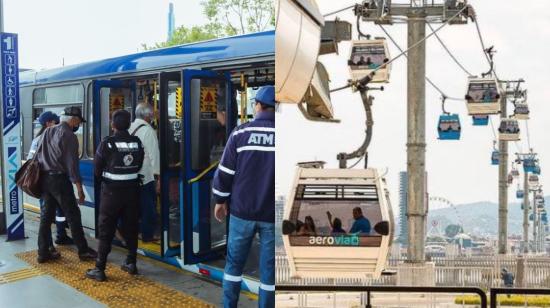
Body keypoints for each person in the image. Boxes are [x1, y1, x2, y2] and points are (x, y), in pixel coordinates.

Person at [212, 85, 275, 308]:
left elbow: (225, 172)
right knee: (269, 272)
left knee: (234, 266)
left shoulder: (241, 133)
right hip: (271, 215)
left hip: (242, 212)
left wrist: (220, 201)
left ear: (257, 105)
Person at [86, 110, 144, 282]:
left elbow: (97, 170)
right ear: (129, 124)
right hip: (132, 192)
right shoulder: (136, 142)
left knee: (106, 229)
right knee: (131, 227)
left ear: (113, 125)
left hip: (111, 194)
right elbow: (139, 165)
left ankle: (99, 268)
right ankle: (131, 263)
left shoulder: (107, 144)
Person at [35, 106, 97, 263]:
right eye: (78, 122)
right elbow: (72, 165)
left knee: (46, 217)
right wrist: (79, 189)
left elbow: (39, 156)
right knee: (73, 215)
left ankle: (43, 252)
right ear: (73, 120)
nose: (78, 125)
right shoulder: (69, 135)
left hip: (45, 179)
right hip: (59, 180)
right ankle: (83, 251)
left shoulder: (48, 131)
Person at [27, 111, 74, 250]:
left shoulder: (40, 138)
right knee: (47, 214)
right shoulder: (45, 138)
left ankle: (59, 236)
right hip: (47, 181)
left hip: (46, 181)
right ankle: (50, 244)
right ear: (48, 123)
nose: (58, 124)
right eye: (56, 121)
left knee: (55, 212)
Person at [129, 103, 160, 242]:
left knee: (135, 207)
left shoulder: (130, 127)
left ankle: (135, 232)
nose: (154, 115)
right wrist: (158, 178)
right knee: (149, 207)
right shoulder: (148, 131)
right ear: (148, 115)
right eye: (152, 113)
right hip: (146, 176)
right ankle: (148, 235)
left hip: (131, 175)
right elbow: (154, 156)